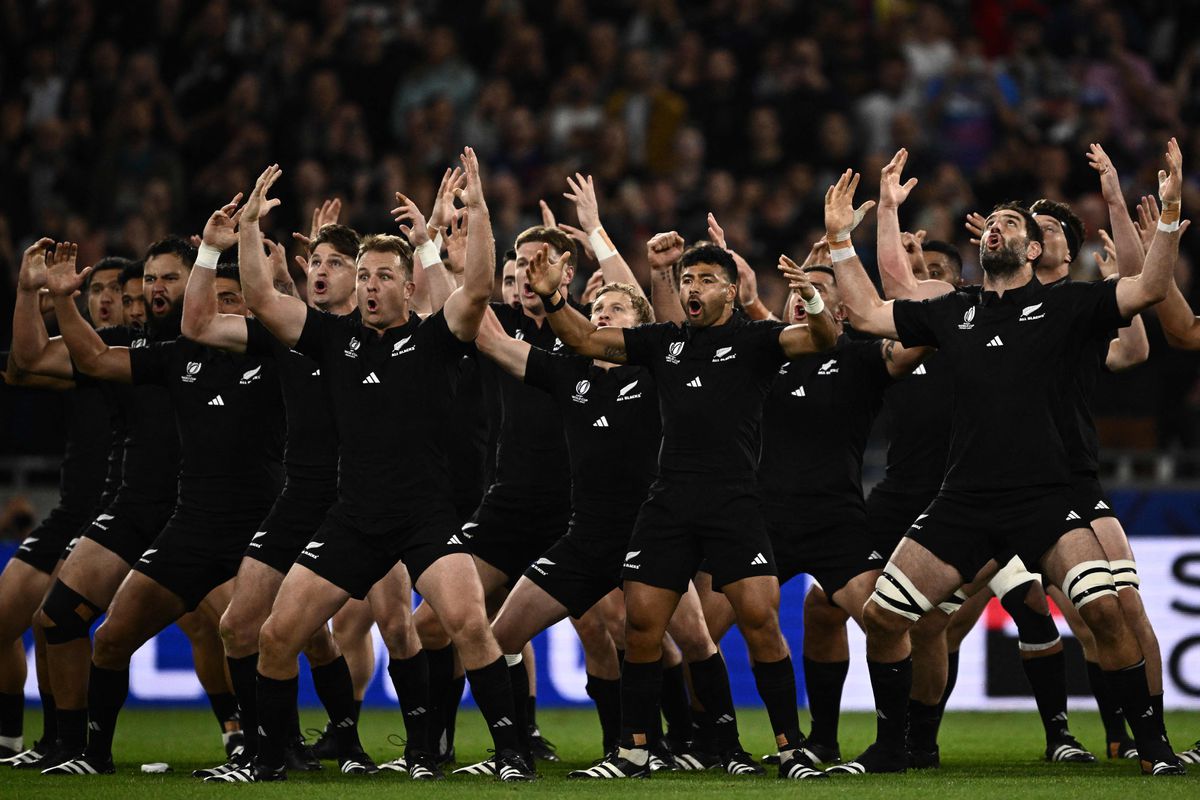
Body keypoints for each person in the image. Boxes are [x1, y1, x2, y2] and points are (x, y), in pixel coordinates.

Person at [822, 139, 1184, 777]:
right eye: (992, 222)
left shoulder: (1069, 305)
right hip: (963, 498)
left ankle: (1150, 743)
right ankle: (891, 744)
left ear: (1035, 248)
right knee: (882, 615)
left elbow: (1152, 288)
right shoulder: (954, 311)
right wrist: (841, 243)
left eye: (1012, 223)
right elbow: (872, 313)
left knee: (1104, 610)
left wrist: (1170, 210)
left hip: (1046, 495)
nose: (997, 227)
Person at [236, 153, 535, 782]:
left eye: (381, 276)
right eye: (363, 275)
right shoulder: (333, 339)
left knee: (469, 626)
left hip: (424, 517)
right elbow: (261, 296)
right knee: (275, 635)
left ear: (406, 285)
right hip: (353, 517)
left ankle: (509, 754)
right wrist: (244, 225)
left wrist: (478, 210)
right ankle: (270, 758)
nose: (369, 286)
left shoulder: (433, 338)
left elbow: (479, 287)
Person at [524, 227, 839, 779]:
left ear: (732, 289)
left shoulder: (758, 339)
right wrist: (554, 298)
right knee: (641, 628)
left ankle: (791, 747)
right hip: (667, 502)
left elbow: (822, 339)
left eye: (706, 279)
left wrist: (810, 299)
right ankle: (634, 750)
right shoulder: (662, 341)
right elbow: (585, 341)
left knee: (761, 621)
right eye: (688, 278)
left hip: (734, 502)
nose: (693, 287)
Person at [39, 238, 285, 775]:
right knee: (109, 639)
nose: (221, 308)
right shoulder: (180, 357)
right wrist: (62, 300)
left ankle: (268, 751)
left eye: (233, 298)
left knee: (250, 636)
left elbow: (299, 321)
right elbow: (97, 359)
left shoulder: (276, 358)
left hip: (258, 528)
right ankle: (93, 756)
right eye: (213, 298)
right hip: (191, 528)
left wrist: (278, 278)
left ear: (251, 307)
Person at [179, 198, 379, 779]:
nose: (321, 270)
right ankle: (275, 748)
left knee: (393, 623)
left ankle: (405, 744)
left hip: (365, 498)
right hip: (299, 496)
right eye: (314, 261)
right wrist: (217, 249)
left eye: (336, 263)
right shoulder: (285, 333)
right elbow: (196, 325)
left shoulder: (378, 333)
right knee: (244, 628)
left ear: (363, 276)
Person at [0, 249, 127, 763]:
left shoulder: (152, 354)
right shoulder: (85, 356)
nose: (104, 299)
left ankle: (241, 735)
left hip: (141, 511)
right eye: (94, 290)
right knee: (13, 617)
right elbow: (21, 364)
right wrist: (31, 294)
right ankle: (24, 739)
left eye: (115, 290)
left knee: (216, 622)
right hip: (74, 510)